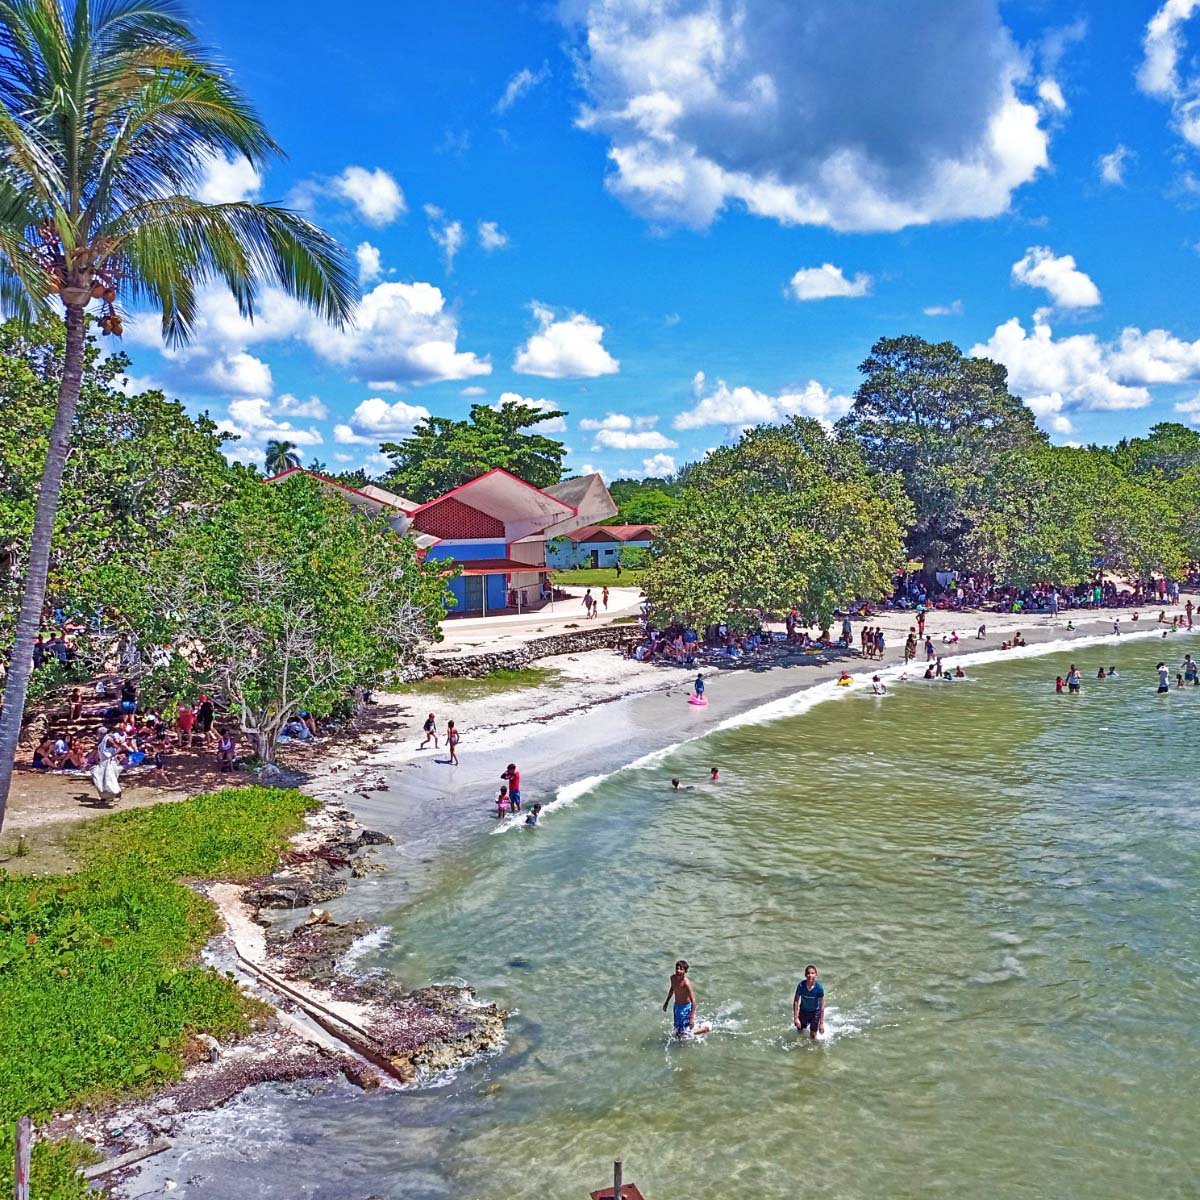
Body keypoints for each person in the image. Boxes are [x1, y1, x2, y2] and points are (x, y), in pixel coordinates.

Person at [662, 959, 697, 1038]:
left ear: (685, 971)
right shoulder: (673, 978)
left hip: (686, 1007)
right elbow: (672, 989)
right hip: (677, 1006)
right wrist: (666, 1002)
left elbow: (694, 1001)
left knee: (684, 1032)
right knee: (677, 1028)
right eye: (677, 968)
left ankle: (704, 1029)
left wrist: (691, 1017)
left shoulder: (686, 983)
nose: (678, 971)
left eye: (681, 969)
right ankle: (680, 1040)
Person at [793, 964, 825, 1040]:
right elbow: (796, 1001)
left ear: (816, 975)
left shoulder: (819, 988)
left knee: (813, 1035)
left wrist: (821, 1023)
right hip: (803, 1011)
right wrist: (796, 1018)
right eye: (808, 973)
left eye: (812, 973)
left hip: (815, 1012)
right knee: (800, 1031)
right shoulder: (801, 986)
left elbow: (822, 1006)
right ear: (805, 975)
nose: (810, 975)